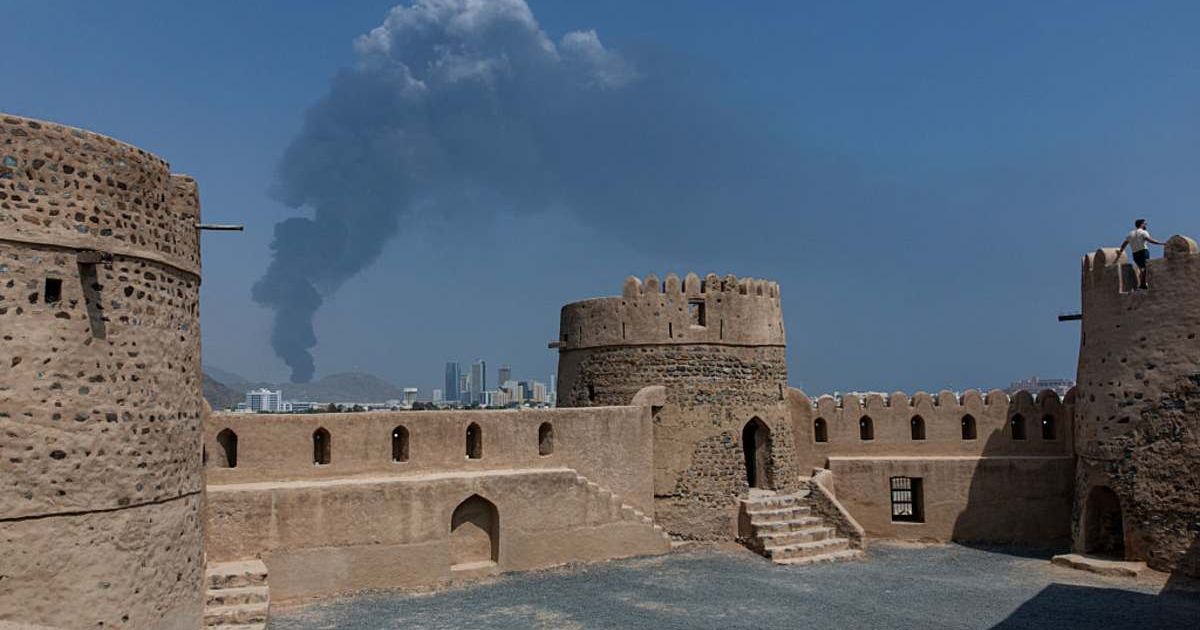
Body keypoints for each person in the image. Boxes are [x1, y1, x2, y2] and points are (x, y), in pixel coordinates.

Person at [1116, 219, 1166, 290]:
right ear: (1141, 224)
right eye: (1145, 224)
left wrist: (1120, 251)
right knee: (1145, 268)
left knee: (1141, 268)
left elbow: (1125, 244)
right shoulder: (1143, 232)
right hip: (1143, 252)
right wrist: (1161, 243)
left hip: (1135, 254)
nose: (1146, 225)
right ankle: (1142, 284)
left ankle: (1143, 283)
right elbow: (1150, 240)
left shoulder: (1130, 234)